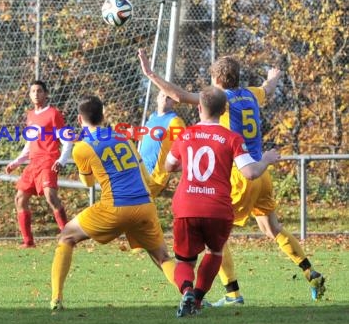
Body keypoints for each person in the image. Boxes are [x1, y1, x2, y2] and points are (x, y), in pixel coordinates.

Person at [138, 49, 326, 304]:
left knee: (215, 237)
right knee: (272, 227)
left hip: (241, 174)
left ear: (215, 79)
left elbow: (179, 96)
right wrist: (274, 77)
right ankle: (309, 271)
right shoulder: (250, 93)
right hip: (261, 172)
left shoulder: (221, 100)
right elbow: (268, 90)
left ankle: (232, 293)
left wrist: (151, 74)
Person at [49, 95, 177, 310]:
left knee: (66, 236)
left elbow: (88, 182)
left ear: (80, 120)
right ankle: (191, 294)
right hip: (144, 204)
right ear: (103, 115)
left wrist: (71, 149)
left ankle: (56, 299)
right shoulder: (123, 137)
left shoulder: (82, 147)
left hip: (115, 207)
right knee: (162, 257)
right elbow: (143, 172)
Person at [164, 86, 280, 317]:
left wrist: (185, 163)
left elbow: (169, 166)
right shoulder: (232, 138)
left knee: (184, 261)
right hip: (217, 207)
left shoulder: (185, 135)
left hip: (187, 205)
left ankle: (186, 290)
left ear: (199, 108)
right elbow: (250, 173)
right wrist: (266, 159)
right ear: (224, 109)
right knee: (215, 252)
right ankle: (196, 300)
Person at [5, 81, 72, 248]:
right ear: (29, 95)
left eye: (39, 91)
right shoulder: (30, 116)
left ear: (46, 94)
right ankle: (28, 242)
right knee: (20, 198)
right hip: (33, 162)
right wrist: (17, 162)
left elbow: (66, 140)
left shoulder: (53, 114)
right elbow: (30, 143)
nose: (36, 94)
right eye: (33, 91)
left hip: (49, 160)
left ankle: (68, 237)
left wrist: (61, 160)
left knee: (51, 196)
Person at [139, 91, 186, 198]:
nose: (165, 99)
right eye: (162, 95)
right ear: (157, 98)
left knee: (133, 204)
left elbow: (185, 147)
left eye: (169, 97)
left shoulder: (175, 122)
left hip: (155, 176)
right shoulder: (152, 117)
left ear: (174, 101)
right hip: (140, 170)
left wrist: (176, 166)